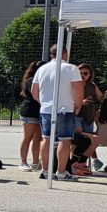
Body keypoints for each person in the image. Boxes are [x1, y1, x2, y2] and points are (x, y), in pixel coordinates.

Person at [31, 43, 84, 181]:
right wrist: (78, 106)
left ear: (51, 54)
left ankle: (45, 170)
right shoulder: (71, 68)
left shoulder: (42, 69)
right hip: (65, 109)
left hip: (46, 109)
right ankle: (61, 171)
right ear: (65, 54)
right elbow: (78, 90)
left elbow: (34, 92)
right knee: (64, 140)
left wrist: (44, 103)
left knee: (46, 139)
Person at [74, 63, 105, 174]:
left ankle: (82, 163)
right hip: (76, 115)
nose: (82, 75)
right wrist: (81, 102)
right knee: (78, 139)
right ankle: (73, 163)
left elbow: (101, 97)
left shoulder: (92, 85)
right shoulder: (73, 84)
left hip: (88, 116)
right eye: (80, 73)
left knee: (90, 141)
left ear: (90, 74)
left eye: (85, 73)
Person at [17, 60, 43, 171]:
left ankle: (35, 162)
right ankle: (23, 162)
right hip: (29, 112)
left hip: (40, 112)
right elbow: (37, 95)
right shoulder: (31, 81)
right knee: (28, 137)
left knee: (38, 138)